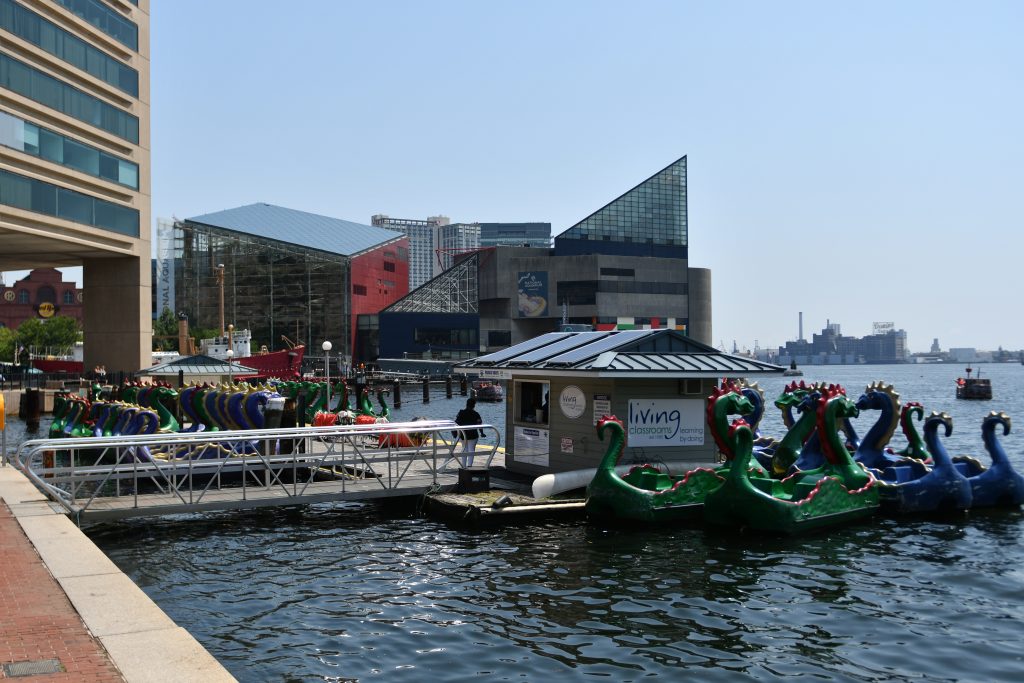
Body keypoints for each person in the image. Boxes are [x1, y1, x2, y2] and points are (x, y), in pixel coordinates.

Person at [454, 398, 483, 467]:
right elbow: (480, 424)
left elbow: (456, 423)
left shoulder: (461, 413)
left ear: (466, 404)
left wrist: (455, 433)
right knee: (471, 450)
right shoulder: (476, 414)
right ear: (474, 405)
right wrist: (482, 433)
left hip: (463, 435)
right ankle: (469, 466)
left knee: (464, 449)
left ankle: (463, 466)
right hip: (473, 435)